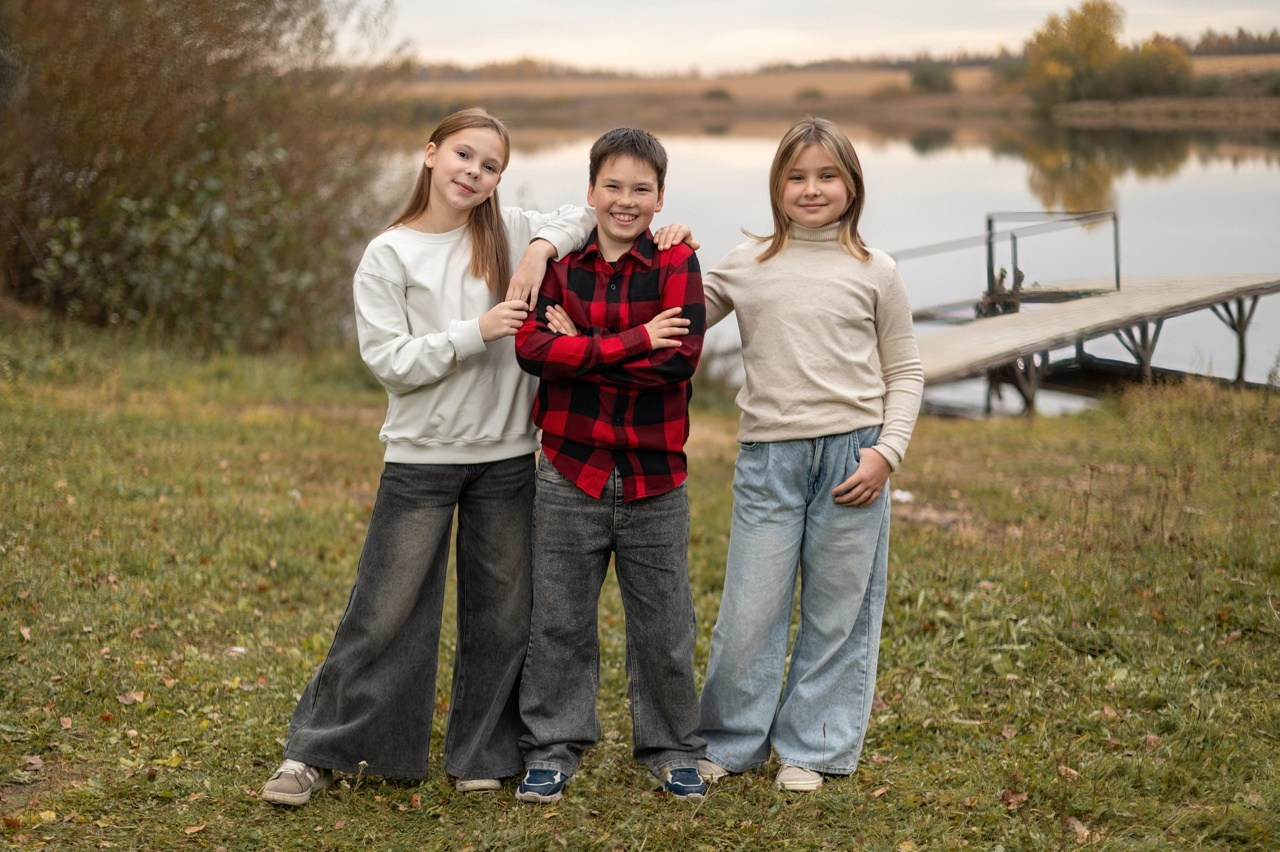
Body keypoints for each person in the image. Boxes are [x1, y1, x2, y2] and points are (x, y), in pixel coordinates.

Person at [259, 108, 691, 805]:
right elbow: (391, 363)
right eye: (464, 154)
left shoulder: (511, 232)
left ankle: (481, 753)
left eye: (491, 166)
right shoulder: (390, 253)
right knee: (384, 609)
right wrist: (479, 331)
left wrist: (539, 249)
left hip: (508, 458)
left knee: (503, 616)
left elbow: (586, 215)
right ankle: (315, 751)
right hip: (421, 458)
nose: (474, 173)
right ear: (431, 153)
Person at [695, 116, 924, 792]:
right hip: (770, 459)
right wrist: (663, 248)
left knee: (837, 610)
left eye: (827, 176)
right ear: (777, 186)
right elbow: (674, 315)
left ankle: (813, 746)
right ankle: (729, 741)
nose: (812, 189)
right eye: (796, 176)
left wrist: (887, 453)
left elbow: (905, 370)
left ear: (852, 184)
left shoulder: (876, 271)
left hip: (854, 460)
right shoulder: (747, 264)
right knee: (749, 611)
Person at [511, 127, 709, 804]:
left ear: (660, 197)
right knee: (559, 619)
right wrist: (634, 340)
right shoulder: (561, 265)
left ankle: (672, 748)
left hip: (656, 475)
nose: (626, 201)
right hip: (571, 468)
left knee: (665, 625)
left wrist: (585, 350)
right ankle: (553, 748)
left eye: (641, 189)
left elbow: (677, 363)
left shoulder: (677, 261)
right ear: (591, 192)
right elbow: (532, 352)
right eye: (613, 186)